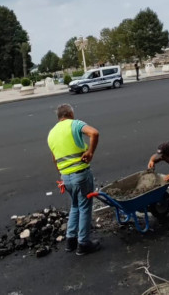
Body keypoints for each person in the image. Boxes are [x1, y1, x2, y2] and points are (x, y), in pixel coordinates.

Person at [47, 104, 101, 256]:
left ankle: (71, 239)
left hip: (66, 177)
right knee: (84, 206)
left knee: (75, 206)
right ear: (70, 113)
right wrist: (90, 152)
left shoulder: (51, 133)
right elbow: (94, 133)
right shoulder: (75, 124)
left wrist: (63, 175)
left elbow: (54, 159)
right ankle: (83, 243)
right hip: (80, 173)